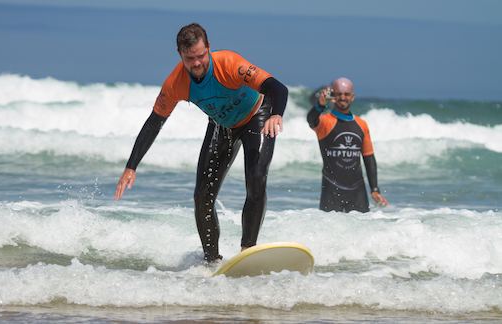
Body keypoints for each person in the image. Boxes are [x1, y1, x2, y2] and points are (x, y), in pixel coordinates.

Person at [114, 23, 288, 262]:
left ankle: (248, 251)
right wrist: (131, 166)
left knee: (256, 178)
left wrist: (276, 114)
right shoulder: (175, 83)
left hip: (257, 116)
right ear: (180, 55)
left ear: (208, 48)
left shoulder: (229, 63)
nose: (196, 64)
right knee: (202, 196)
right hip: (221, 125)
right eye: (189, 59)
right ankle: (211, 260)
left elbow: (277, 88)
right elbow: (154, 122)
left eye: (200, 56)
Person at [307, 77, 388, 212]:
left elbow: (369, 158)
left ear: (352, 97)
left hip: (358, 192)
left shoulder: (361, 125)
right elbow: (311, 120)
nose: (343, 97)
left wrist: (374, 189)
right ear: (333, 97)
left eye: (346, 94)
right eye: (339, 94)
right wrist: (320, 106)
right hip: (331, 190)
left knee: (362, 230)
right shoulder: (325, 122)